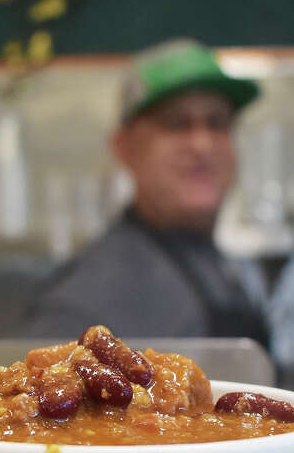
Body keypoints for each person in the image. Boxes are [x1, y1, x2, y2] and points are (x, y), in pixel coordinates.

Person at [21, 39, 269, 343]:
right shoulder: (82, 302)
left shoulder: (215, 260)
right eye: (176, 124)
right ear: (124, 147)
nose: (202, 145)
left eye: (217, 123)